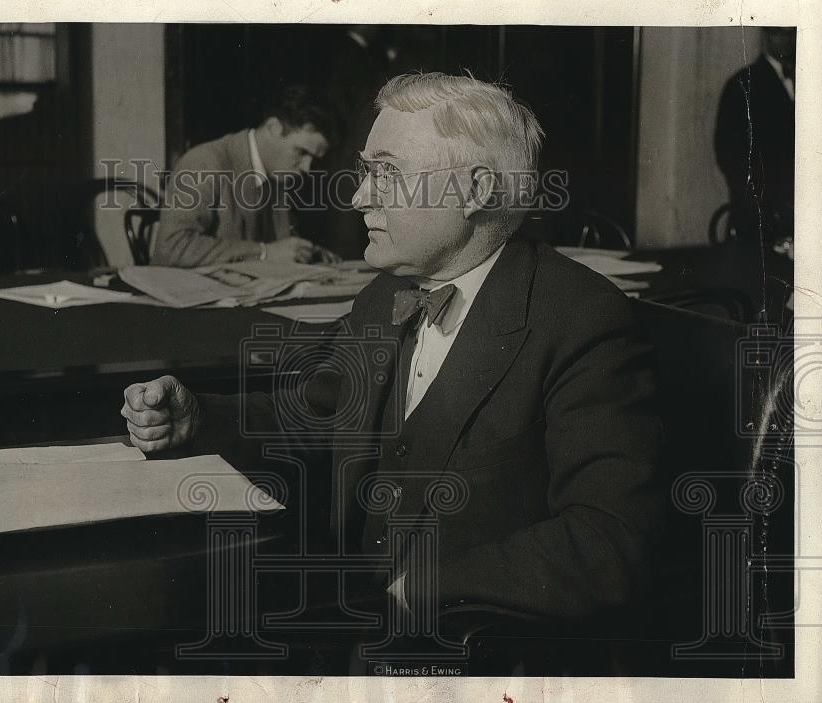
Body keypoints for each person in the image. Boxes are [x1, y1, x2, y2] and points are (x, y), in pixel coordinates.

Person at [123, 73, 661, 633]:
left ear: (474, 192)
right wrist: (200, 419)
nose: (359, 197)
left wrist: (431, 586)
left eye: (387, 173)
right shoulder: (385, 295)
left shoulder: (581, 319)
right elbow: (319, 419)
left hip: (479, 648)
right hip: (350, 625)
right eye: (365, 173)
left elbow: (610, 537)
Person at [155, 84, 341, 267]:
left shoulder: (276, 173)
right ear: (273, 127)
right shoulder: (205, 162)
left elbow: (278, 247)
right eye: (301, 152)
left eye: (314, 158)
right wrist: (263, 253)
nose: (307, 168)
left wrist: (305, 254)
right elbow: (171, 249)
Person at [714, 27, 795, 247]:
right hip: (761, 216)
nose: (787, 40)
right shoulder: (743, 84)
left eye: (791, 32)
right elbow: (729, 154)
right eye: (778, 32)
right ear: (765, 35)